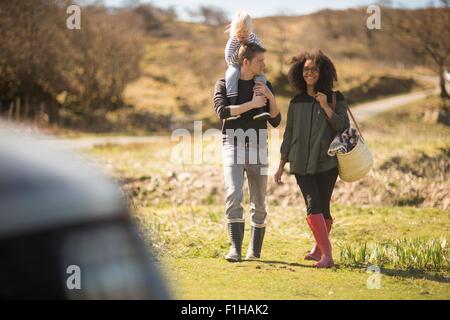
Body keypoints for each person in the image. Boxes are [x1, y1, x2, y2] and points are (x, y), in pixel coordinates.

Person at [274, 50, 350, 268]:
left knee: (323, 207)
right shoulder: (296, 102)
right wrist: (281, 164)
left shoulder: (336, 98)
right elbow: (289, 134)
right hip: (300, 164)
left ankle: (320, 251)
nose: (309, 73)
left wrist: (326, 106)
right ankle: (327, 254)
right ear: (300, 72)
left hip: (327, 163)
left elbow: (343, 127)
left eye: (314, 69)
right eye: (306, 69)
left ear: (322, 72)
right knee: (312, 204)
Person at [213, 42, 281, 262]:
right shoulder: (223, 83)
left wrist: (270, 97)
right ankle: (235, 249)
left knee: (259, 201)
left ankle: (255, 250)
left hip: (259, 145)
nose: (264, 64)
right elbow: (222, 112)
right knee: (234, 194)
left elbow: (276, 120)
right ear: (245, 62)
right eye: (260, 61)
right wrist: (252, 104)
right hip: (232, 144)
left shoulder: (264, 83)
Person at [224, 11, 271, 121]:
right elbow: (229, 59)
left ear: (250, 30)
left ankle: (260, 108)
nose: (243, 34)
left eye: (246, 31)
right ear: (234, 30)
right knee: (231, 75)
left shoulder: (253, 38)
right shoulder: (233, 41)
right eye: (239, 31)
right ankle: (233, 103)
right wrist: (241, 50)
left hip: (251, 64)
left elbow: (260, 52)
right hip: (235, 64)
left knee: (261, 77)